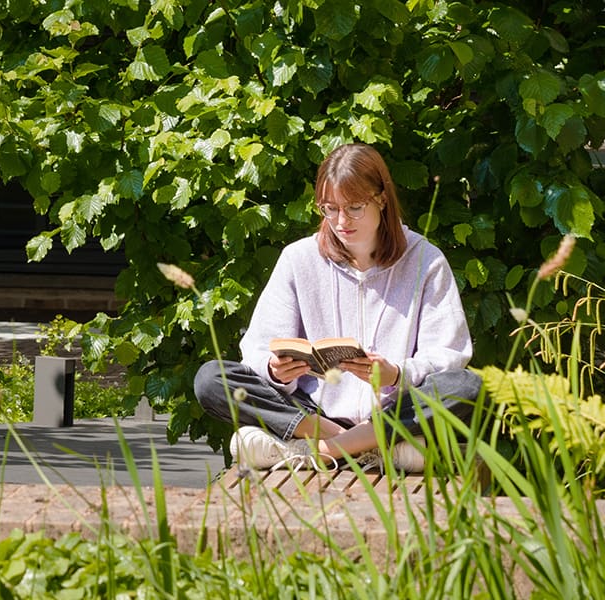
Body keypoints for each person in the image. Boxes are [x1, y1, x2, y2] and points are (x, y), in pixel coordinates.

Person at [192, 143, 481, 472]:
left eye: (355, 207)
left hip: (392, 410)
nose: (341, 221)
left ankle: (315, 451)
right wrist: (275, 370)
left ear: (382, 199)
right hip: (312, 412)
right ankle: (366, 447)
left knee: (466, 387)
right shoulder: (299, 258)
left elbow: (448, 353)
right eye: (330, 209)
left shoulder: (425, 260)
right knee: (210, 379)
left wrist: (397, 374)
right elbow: (258, 346)